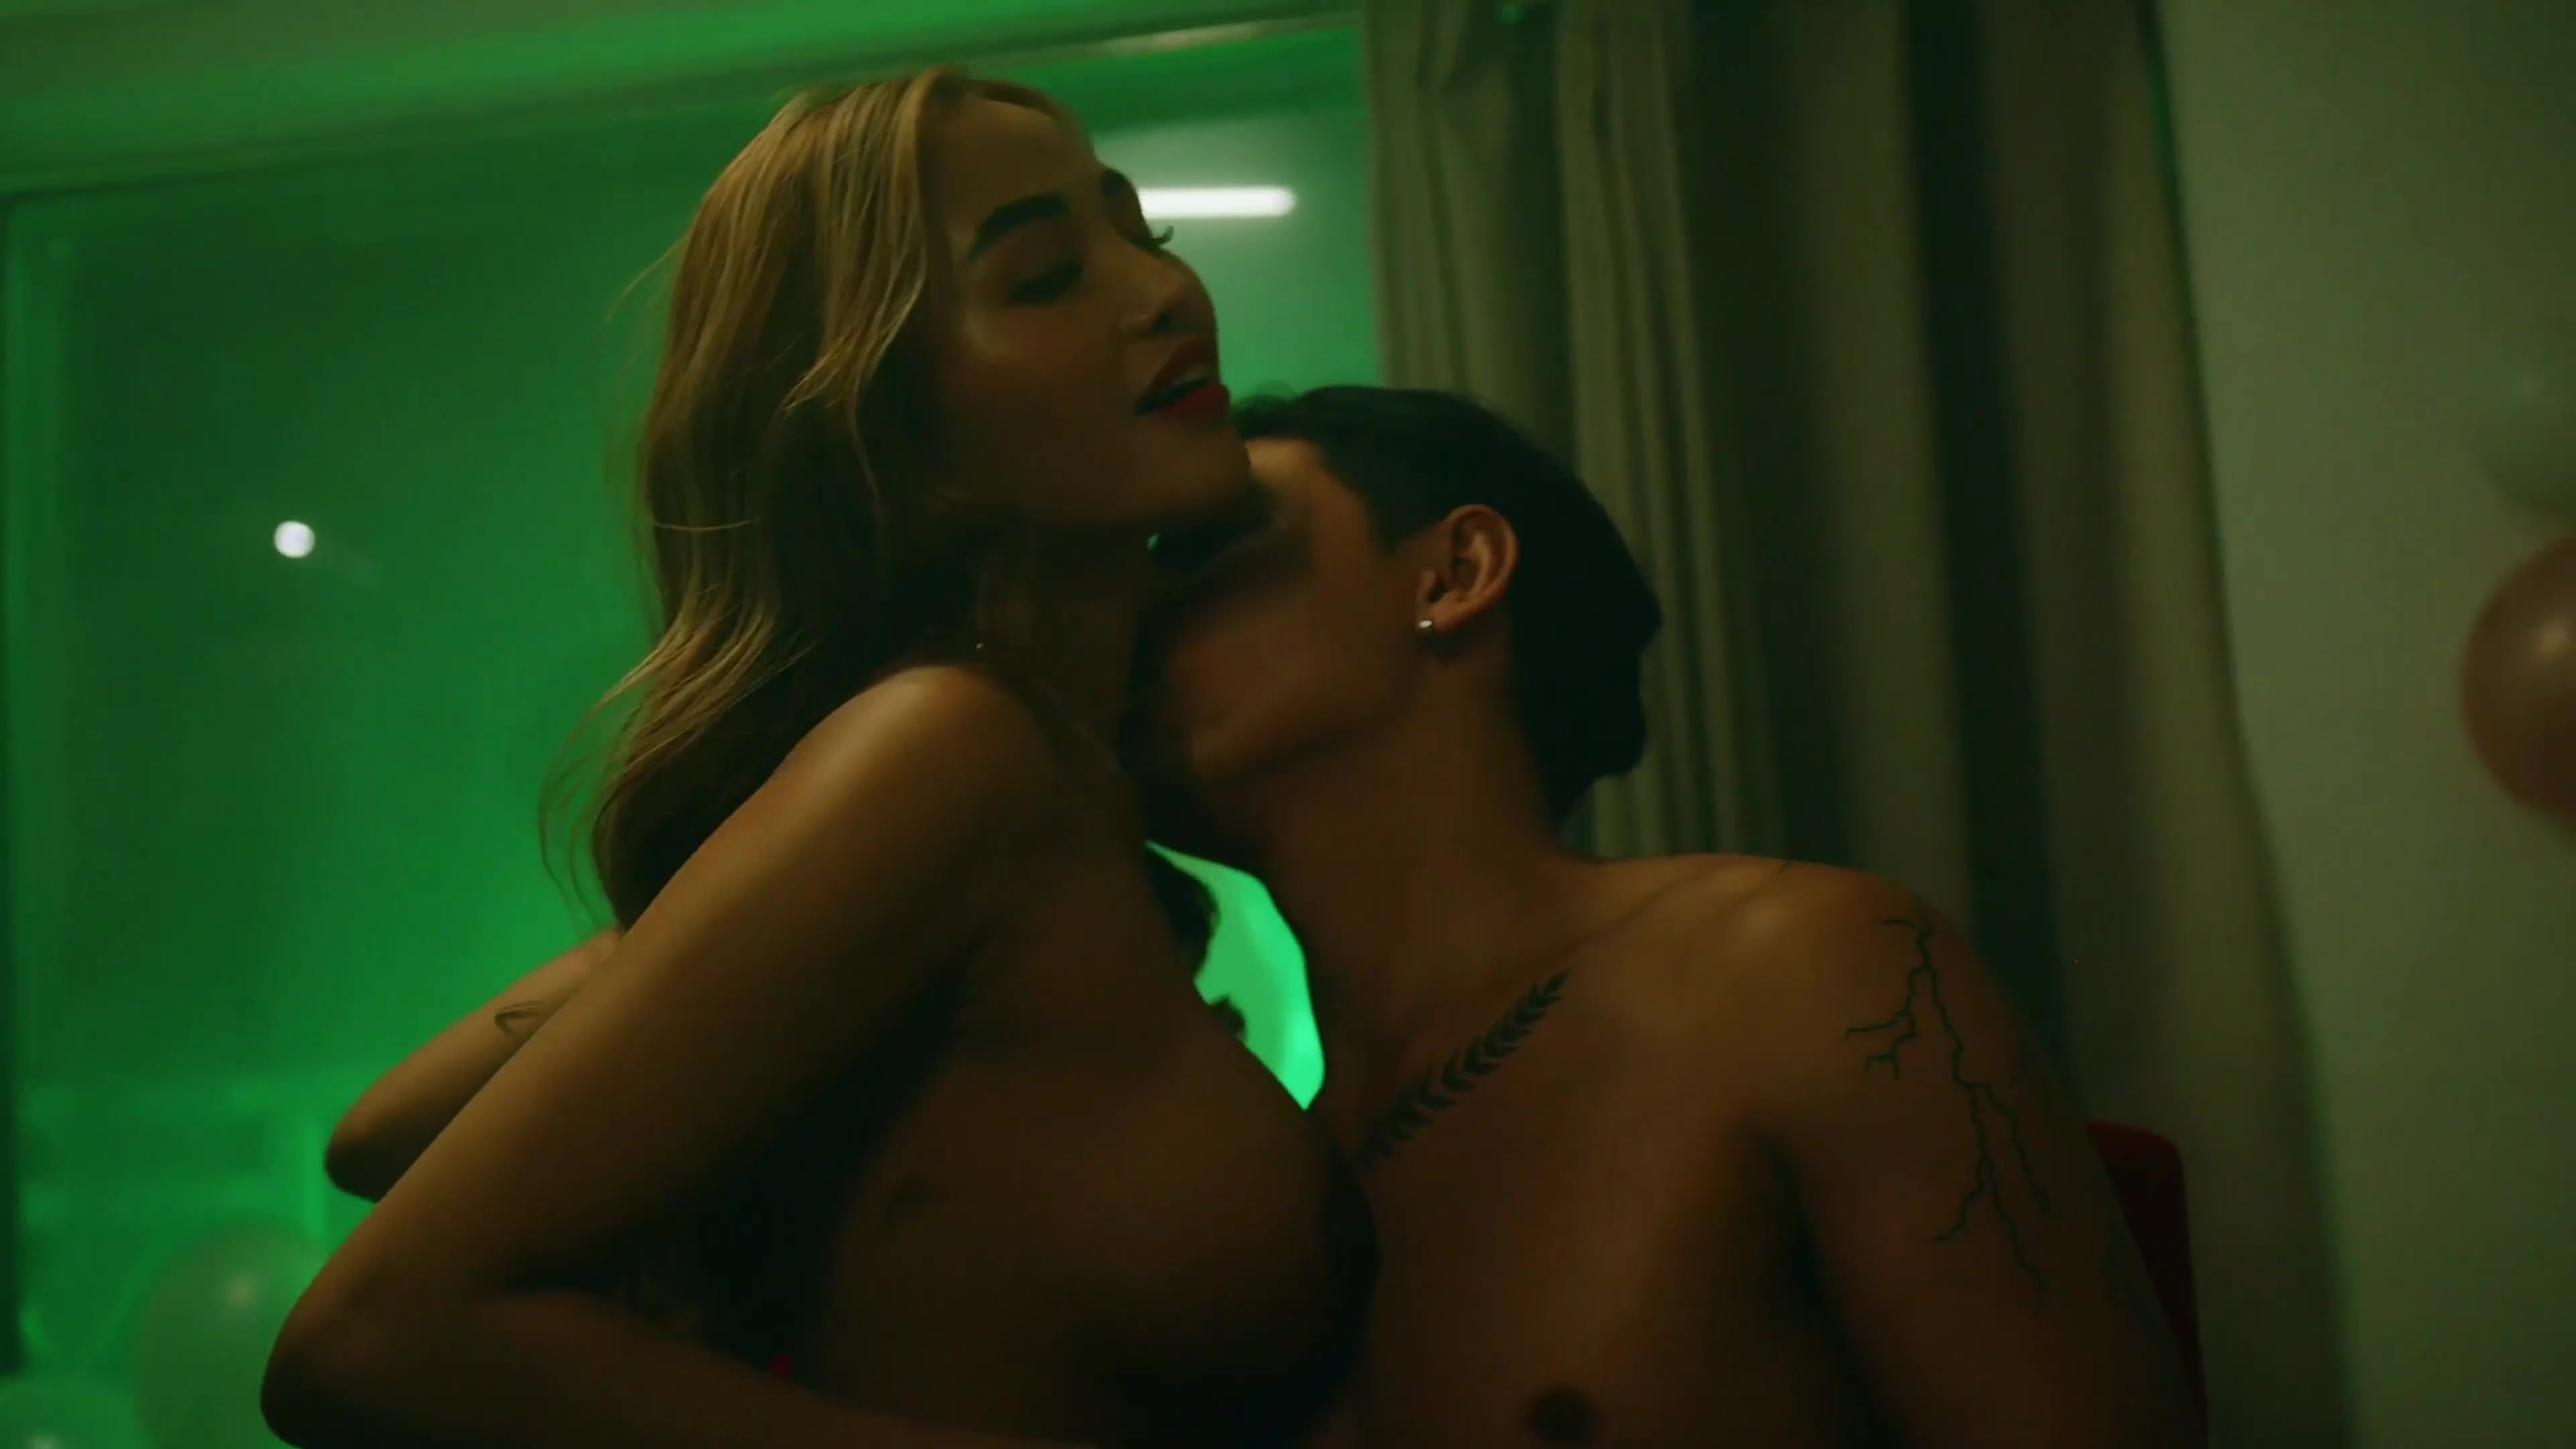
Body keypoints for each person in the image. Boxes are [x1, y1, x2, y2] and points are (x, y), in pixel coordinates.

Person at [339, 386, 2204, 1446]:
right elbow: (394, 1141)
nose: (1137, 611)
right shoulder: (1245, 1192)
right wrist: (839, 858)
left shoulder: (1799, 969)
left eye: (1206, 555)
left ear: (1451, 573)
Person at [261, 68, 1375, 1449]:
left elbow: (383, 1133)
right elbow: (371, 1335)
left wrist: (720, 929)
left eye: (1139, 231)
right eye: (1043, 276)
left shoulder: (1043, 777)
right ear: (887, 426)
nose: (1162, 293)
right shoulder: (953, 745)